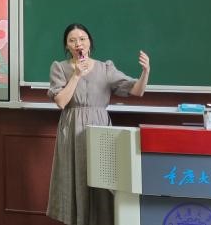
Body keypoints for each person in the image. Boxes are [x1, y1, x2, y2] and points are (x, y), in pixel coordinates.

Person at [46, 23, 150, 225]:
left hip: (100, 129)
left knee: (103, 181)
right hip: (72, 129)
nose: (78, 44)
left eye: (82, 39)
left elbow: (137, 90)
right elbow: (61, 101)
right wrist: (77, 74)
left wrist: (145, 72)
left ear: (90, 42)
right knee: (74, 179)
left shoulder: (105, 68)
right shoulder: (59, 67)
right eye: (72, 40)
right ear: (67, 46)